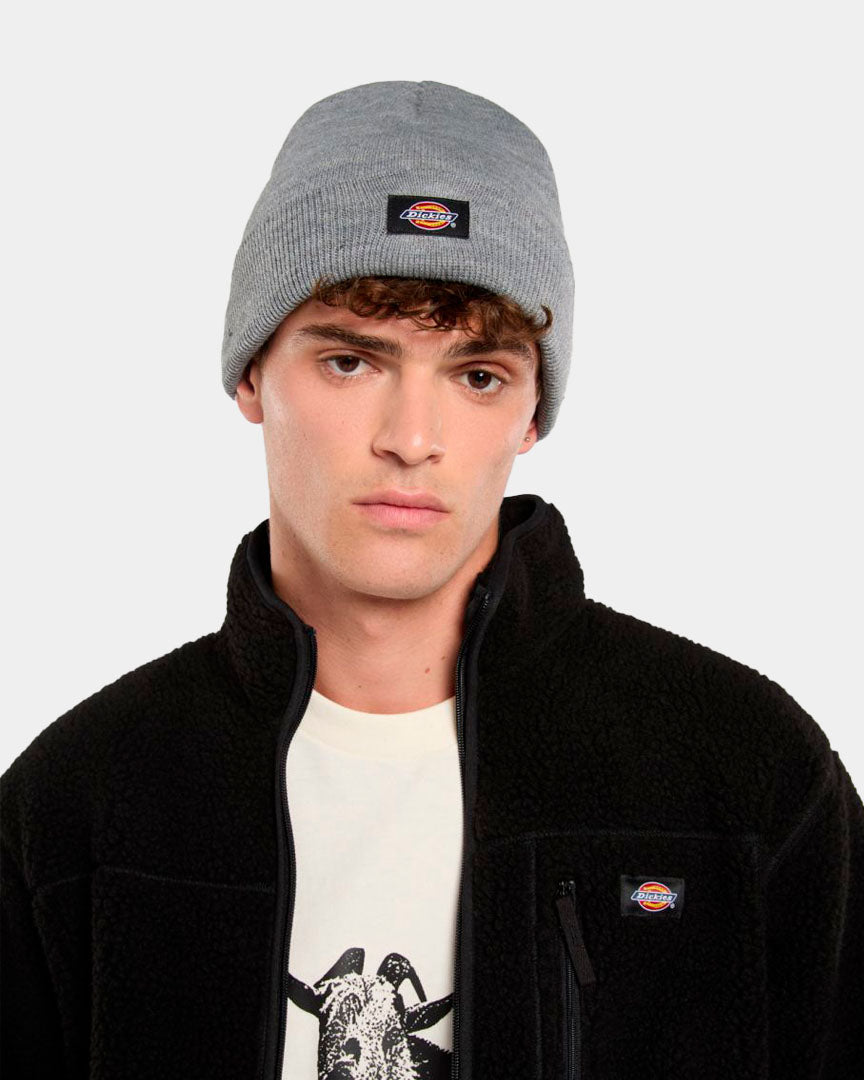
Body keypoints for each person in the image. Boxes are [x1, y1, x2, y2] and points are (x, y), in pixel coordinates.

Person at [1, 80, 861, 1080]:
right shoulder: (81, 803)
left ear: (532, 413)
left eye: (476, 375)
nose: (412, 439)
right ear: (251, 375)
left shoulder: (747, 777)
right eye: (351, 362)